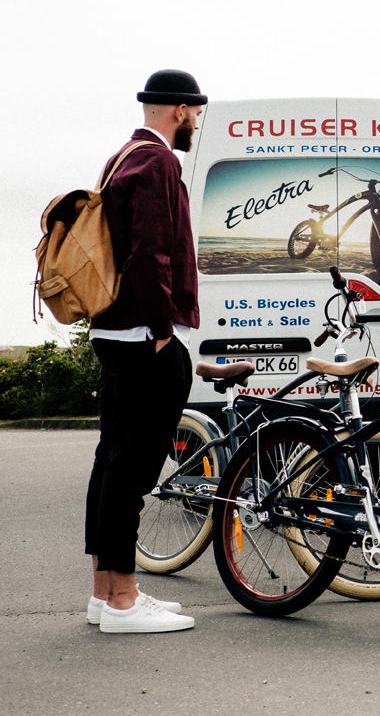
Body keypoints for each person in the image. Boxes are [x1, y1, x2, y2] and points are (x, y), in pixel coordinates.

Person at [85, 69, 205, 633]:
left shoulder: (121, 156)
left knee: (111, 461)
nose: (196, 122)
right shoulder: (159, 161)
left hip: (113, 331)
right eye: (195, 112)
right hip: (142, 335)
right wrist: (162, 328)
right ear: (179, 109)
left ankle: (105, 593)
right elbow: (152, 247)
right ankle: (125, 603)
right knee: (132, 467)